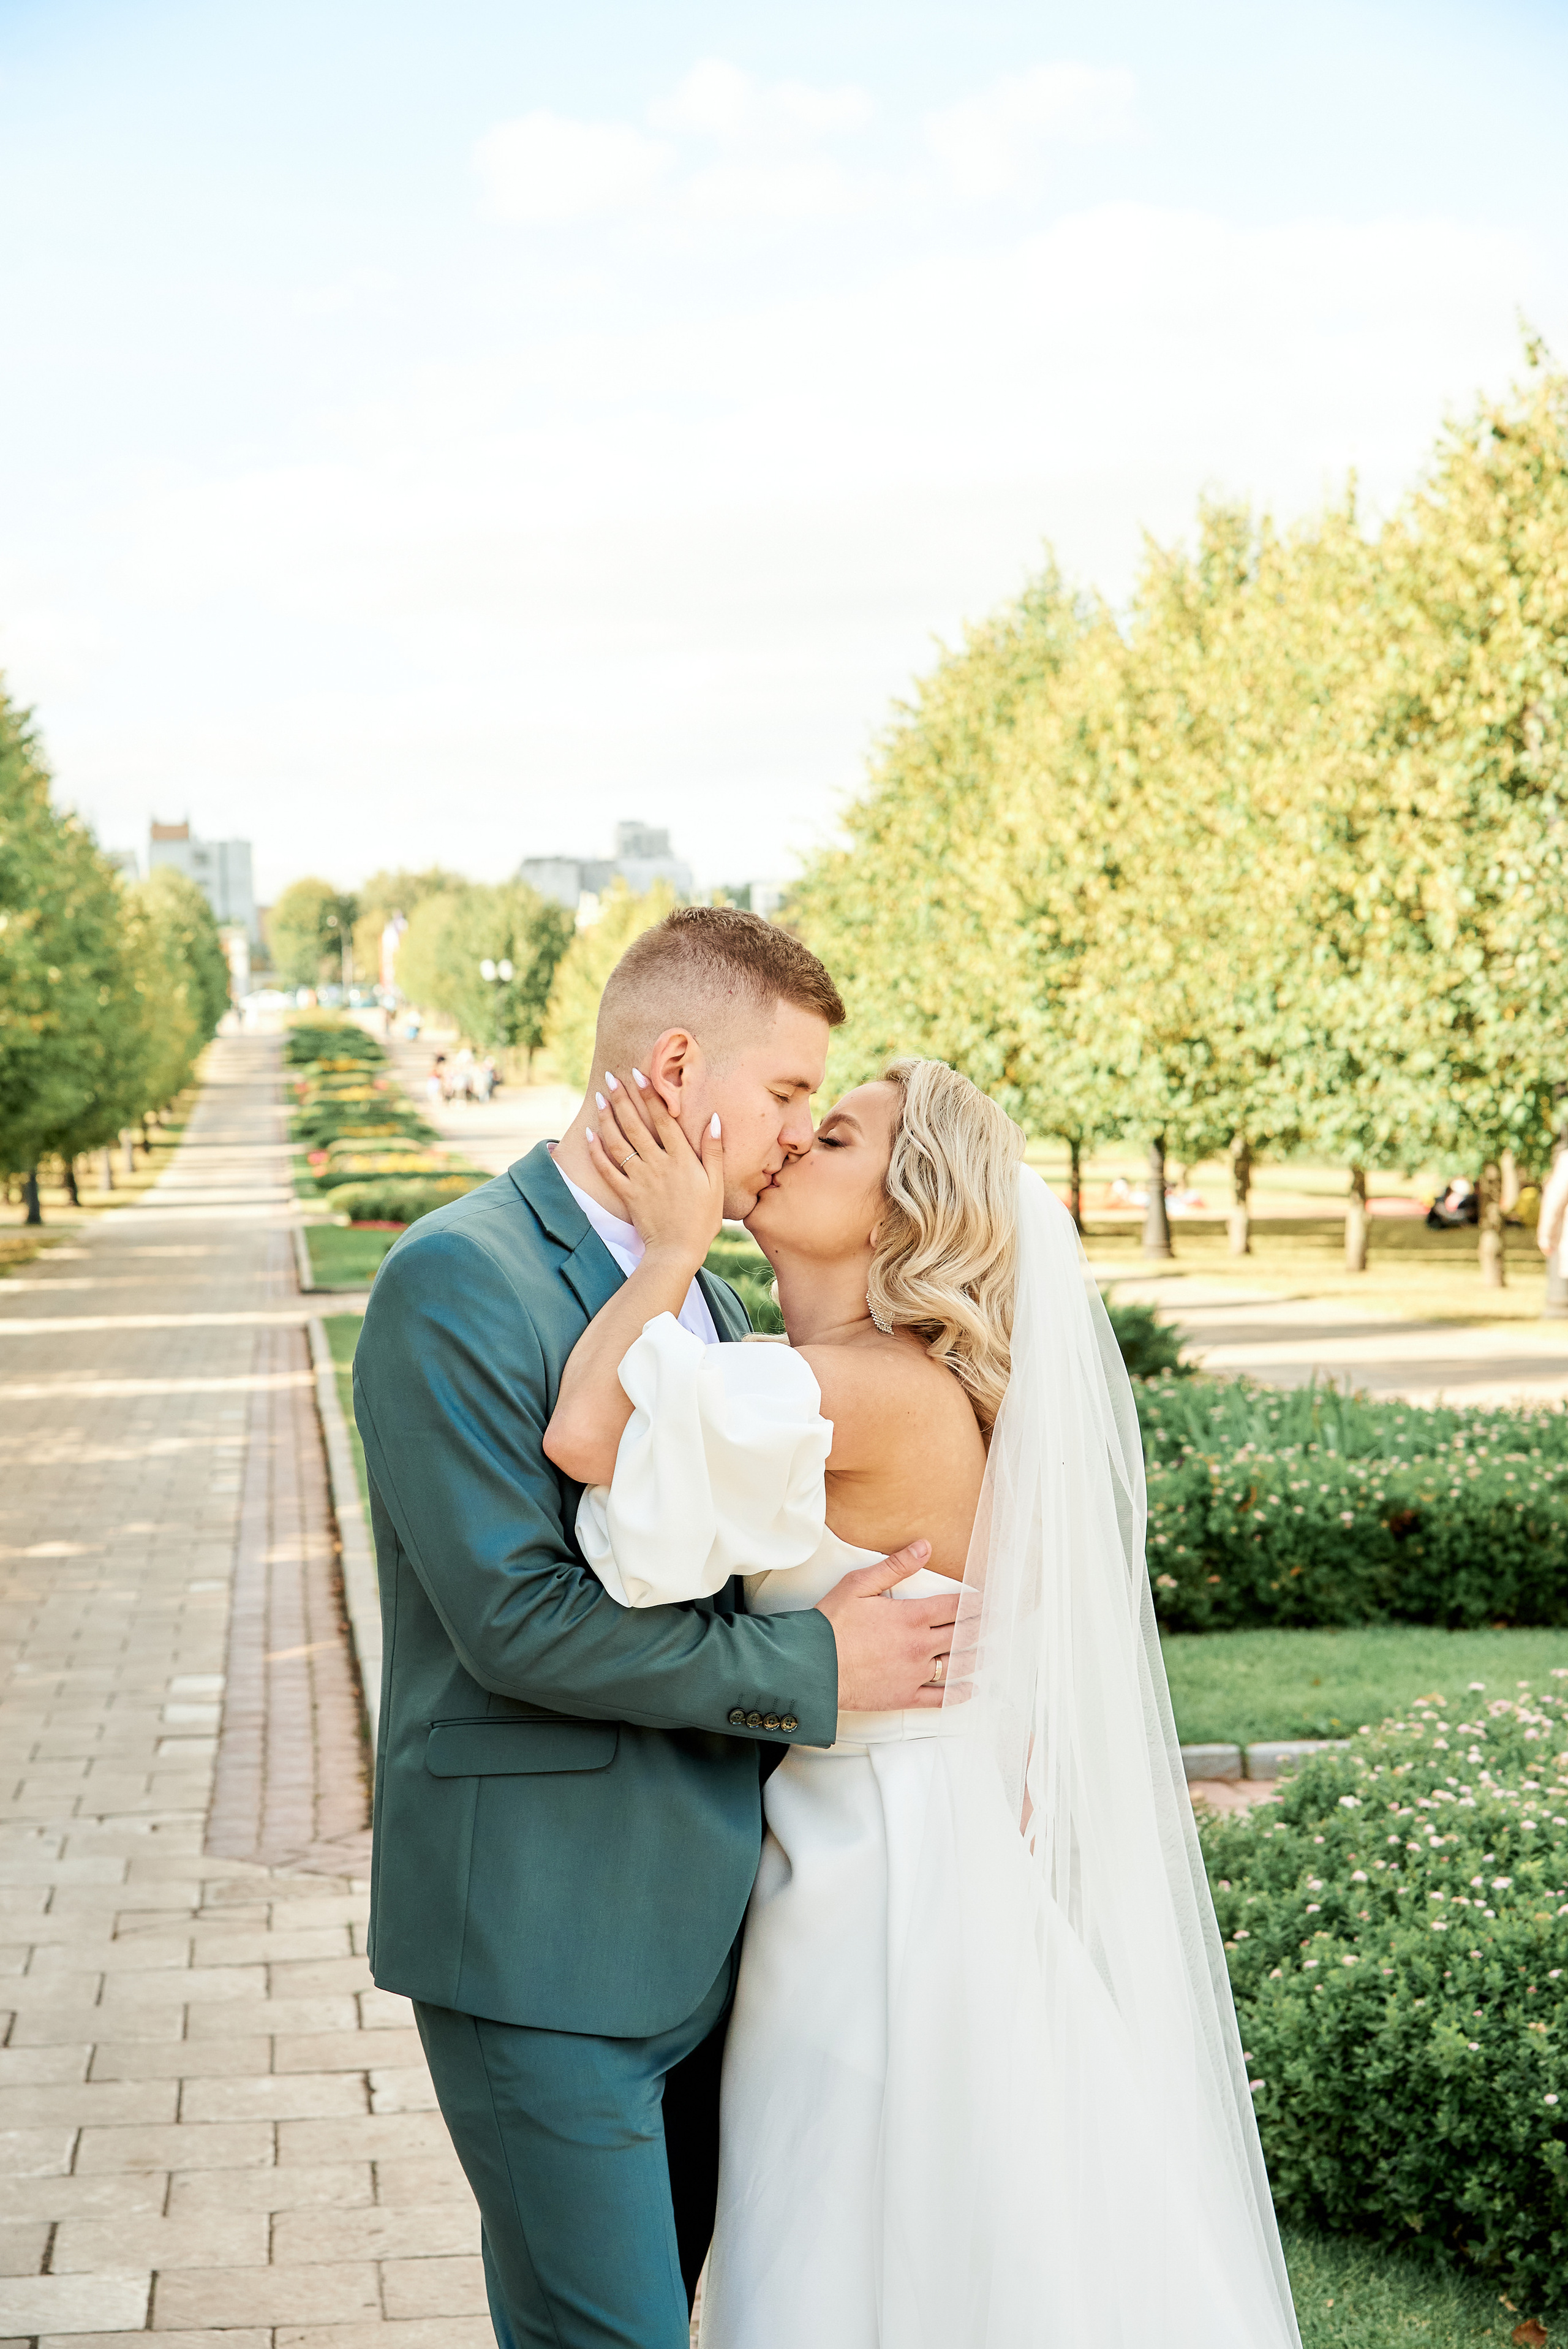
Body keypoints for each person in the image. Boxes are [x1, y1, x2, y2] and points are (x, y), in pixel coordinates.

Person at [547, 1059, 1303, 2349]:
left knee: (862, 2228)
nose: (786, 1145)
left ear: (902, 1210)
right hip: (866, 1843)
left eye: (831, 1136)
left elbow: (586, 1437)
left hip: (882, 1879)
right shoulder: (829, 1370)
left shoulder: (873, 1387)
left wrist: (668, 1249)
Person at [352, 909, 958, 2349]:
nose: (796, 1136)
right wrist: (818, 1666)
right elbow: (517, 1623)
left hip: (713, 1941)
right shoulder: (457, 1280)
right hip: (541, 1942)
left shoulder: (709, 1292)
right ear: (678, 1063)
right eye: (788, 1096)